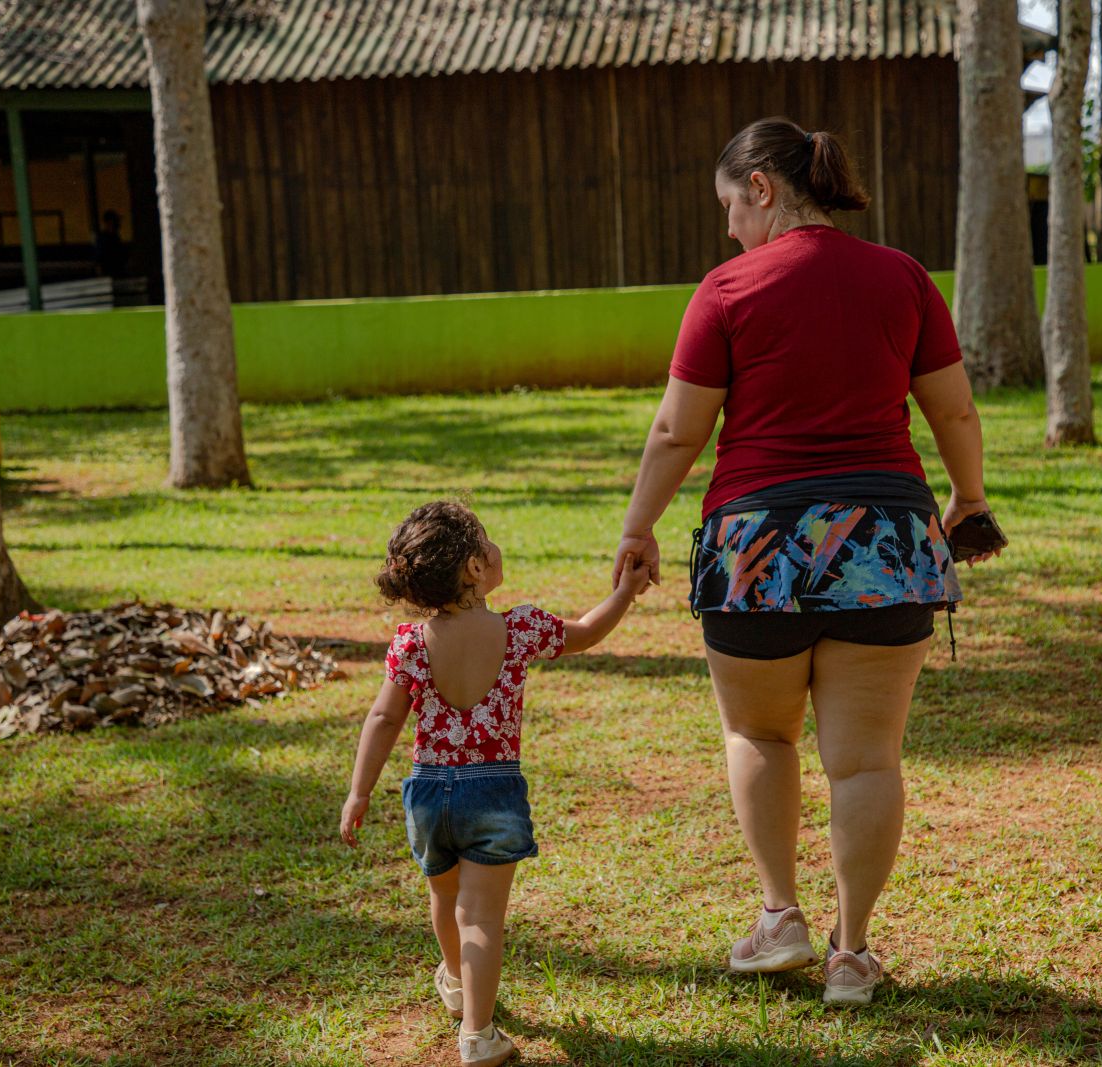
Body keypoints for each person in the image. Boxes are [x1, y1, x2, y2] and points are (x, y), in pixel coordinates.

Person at [613, 118, 1000, 1005]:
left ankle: (781, 914)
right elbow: (956, 412)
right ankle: (853, 954)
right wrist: (969, 502)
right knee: (865, 760)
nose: (727, 230)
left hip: (757, 551)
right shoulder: (902, 277)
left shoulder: (725, 291)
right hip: (886, 544)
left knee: (760, 734)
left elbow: (679, 429)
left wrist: (639, 527)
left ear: (761, 188)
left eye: (728, 206)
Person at [341, 500, 649, 1066]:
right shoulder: (521, 628)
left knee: (444, 894)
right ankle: (478, 1035)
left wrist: (359, 791)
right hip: (494, 790)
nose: (495, 547)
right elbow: (586, 632)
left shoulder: (410, 643)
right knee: (480, 917)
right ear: (474, 569)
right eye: (486, 539)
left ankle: (457, 983)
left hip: (429, 793)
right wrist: (625, 593)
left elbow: (384, 718)